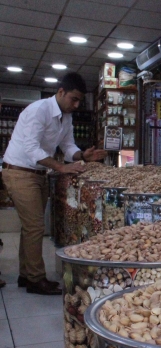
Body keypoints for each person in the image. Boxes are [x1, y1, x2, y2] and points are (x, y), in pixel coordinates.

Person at [2, 72, 107, 295]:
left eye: (79, 101)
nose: (76, 105)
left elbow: (68, 146)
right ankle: (35, 279)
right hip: (20, 172)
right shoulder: (38, 110)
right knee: (35, 227)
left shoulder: (66, 117)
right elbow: (31, 149)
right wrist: (61, 167)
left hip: (38, 174)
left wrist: (82, 156)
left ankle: (26, 274)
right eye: (74, 99)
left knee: (31, 227)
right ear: (61, 92)